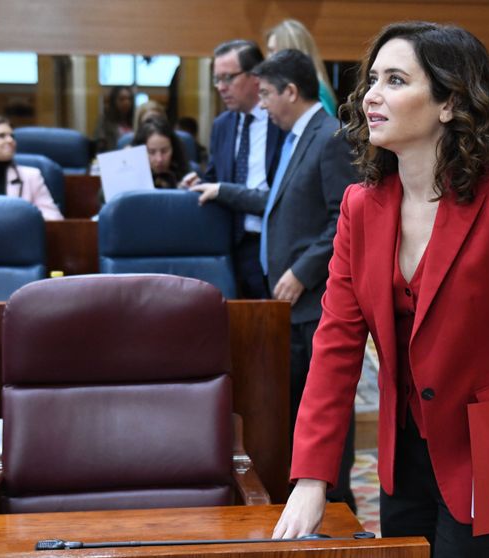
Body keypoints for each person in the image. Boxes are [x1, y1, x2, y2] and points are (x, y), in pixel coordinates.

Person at [272, 22, 489, 558]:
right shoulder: (359, 207)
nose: (371, 95)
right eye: (372, 80)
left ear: (449, 103)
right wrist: (311, 478)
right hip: (405, 461)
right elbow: (336, 349)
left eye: (395, 80)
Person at [190, 50, 359, 510]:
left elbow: (343, 221)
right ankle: (310, 497)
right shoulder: (292, 138)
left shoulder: (330, 138)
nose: (261, 104)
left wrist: (302, 272)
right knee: (298, 406)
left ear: (290, 91)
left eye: (266, 93)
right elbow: (274, 203)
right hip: (287, 302)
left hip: (314, 301)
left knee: (322, 409)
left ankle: (338, 505)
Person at [182, 40, 285, 299]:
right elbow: (216, 178)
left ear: (256, 76)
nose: (220, 87)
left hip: (275, 245)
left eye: (228, 78)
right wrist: (199, 181)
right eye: (217, 79)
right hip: (231, 245)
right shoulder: (222, 125)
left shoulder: (281, 121)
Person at [266, 19, 339, 117]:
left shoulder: (317, 89)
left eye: (273, 51)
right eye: (269, 51)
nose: (268, 58)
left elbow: (325, 129)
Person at [132, 117, 188, 189]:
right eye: (151, 152)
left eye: (164, 151)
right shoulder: (131, 177)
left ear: (173, 149)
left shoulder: (186, 176)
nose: (159, 159)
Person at [94, 86, 135, 154]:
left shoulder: (134, 120)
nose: (126, 102)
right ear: (114, 101)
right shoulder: (105, 120)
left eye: (129, 99)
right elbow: (99, 145)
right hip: (112, 157)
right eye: (122, 99)